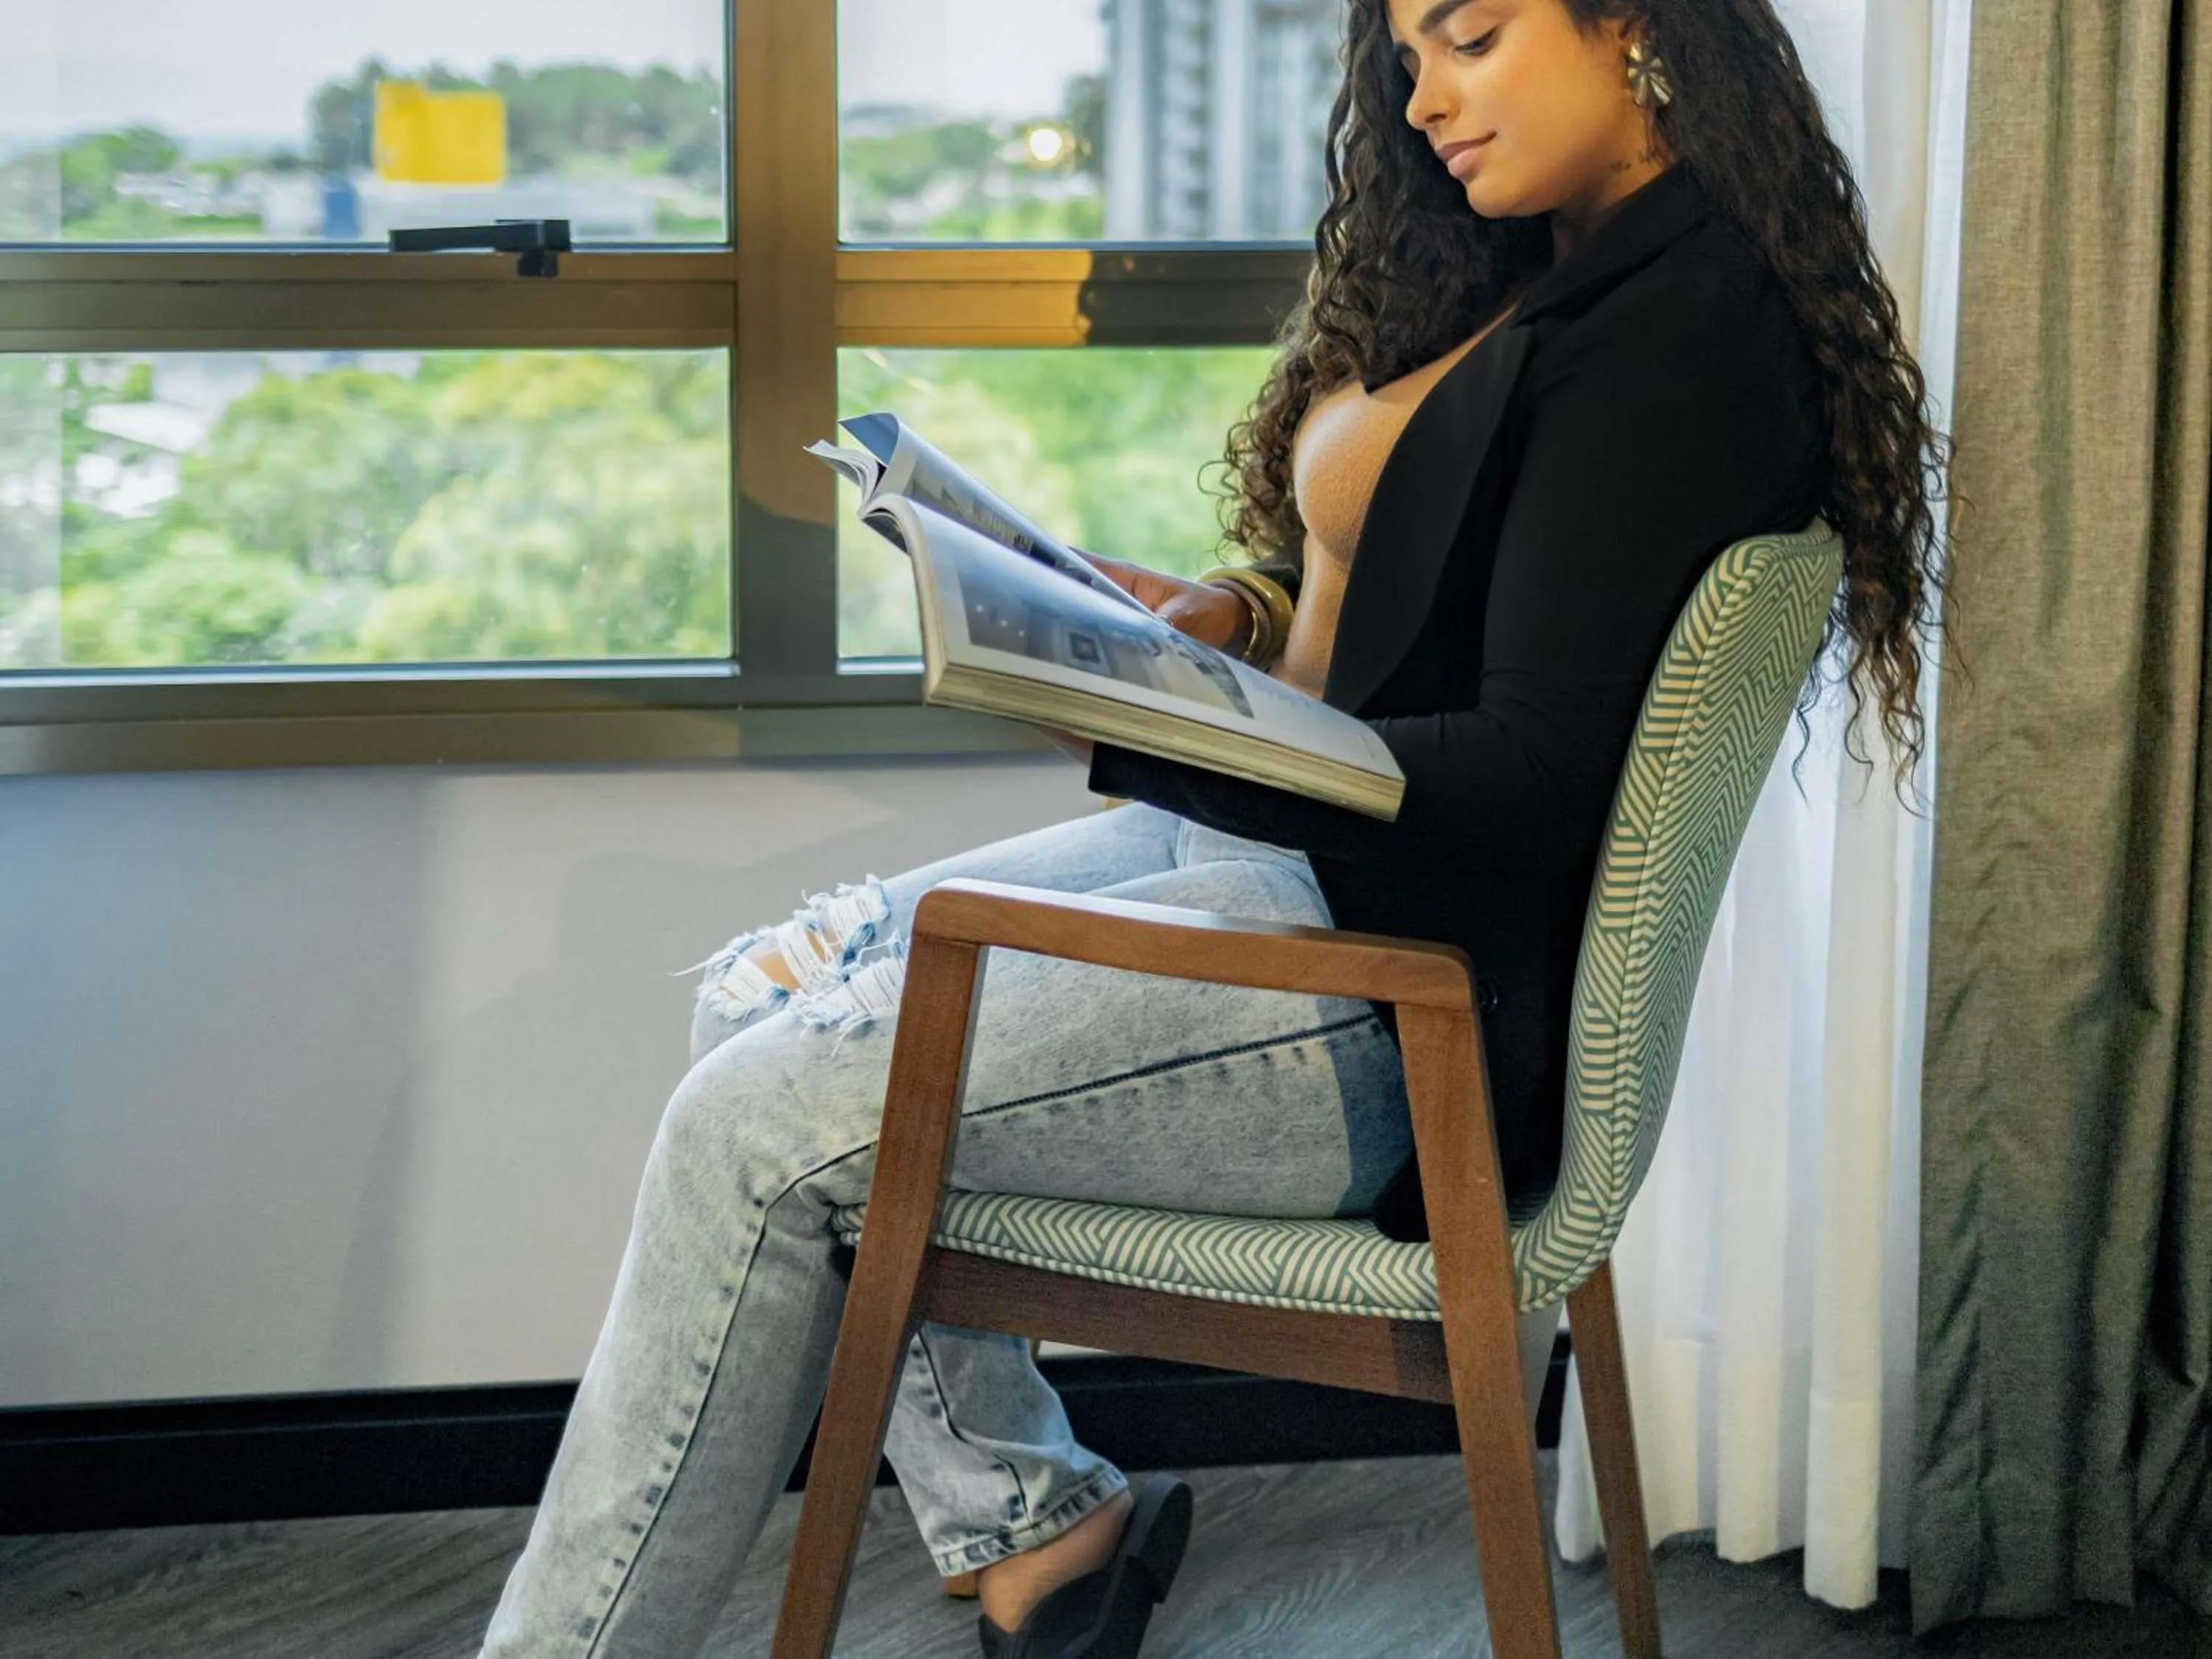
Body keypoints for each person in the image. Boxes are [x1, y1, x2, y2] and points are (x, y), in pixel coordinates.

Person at [477, 1, 1952, 1655]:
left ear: (1637, 26)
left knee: (761, 1121)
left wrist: (1160, 729)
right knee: (761, 994)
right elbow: (1423, 599)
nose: (1427, 96)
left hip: (1390, 1005)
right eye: (1407, 55)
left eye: (1468, 36)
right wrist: (1227, 631)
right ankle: (1039, 1525)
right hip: (1301, 891)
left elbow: (1530, 774)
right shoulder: (1555, 265)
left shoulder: (1677, 335)